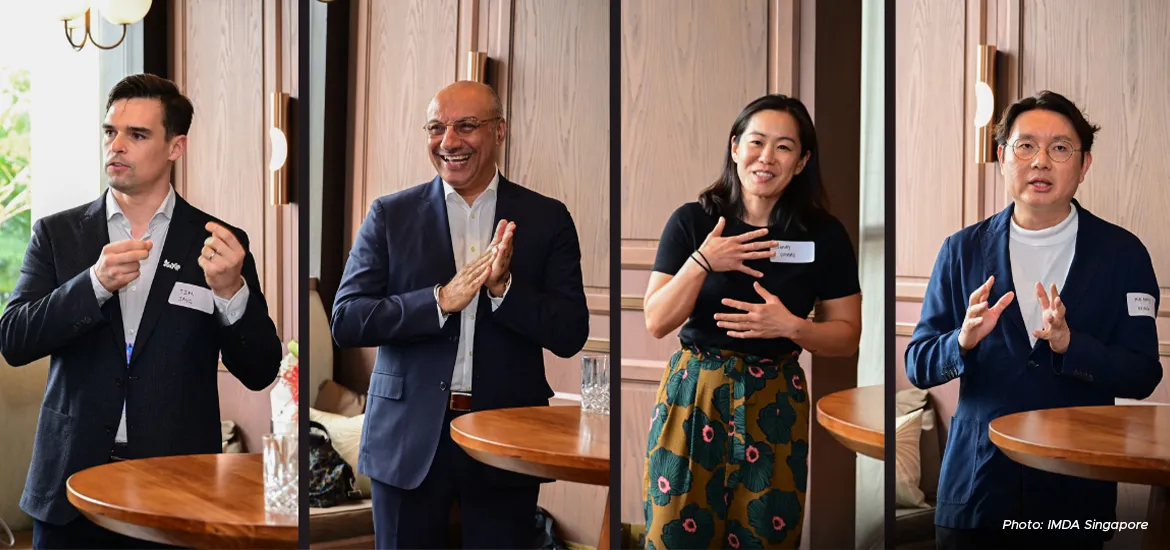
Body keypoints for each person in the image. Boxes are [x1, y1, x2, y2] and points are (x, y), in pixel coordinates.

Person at [0, 74, 282, 549]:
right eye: (111, 132)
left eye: (138, 134)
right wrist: (92, 285)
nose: (117, 145)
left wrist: (231, 291)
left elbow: (260, 370)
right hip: (70, 489)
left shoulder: (216, 242)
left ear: (176, 146)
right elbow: (14, 340)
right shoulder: (57, 234)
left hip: (180, 490)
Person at [331, 80, 590, 549]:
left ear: (500, 131)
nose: (448, 142)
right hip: (406, 440)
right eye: (436, 128)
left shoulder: (547, 218)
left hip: (506, 439)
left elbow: (571, 332)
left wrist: (505, 289)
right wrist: (438, 301)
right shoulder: (391, 214)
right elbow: (346, 319)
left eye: (466, 126)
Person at [905, 90, 1162, 550]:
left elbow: (1144, 373)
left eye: (1060, 148)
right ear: (1003, 157)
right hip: (975, 489)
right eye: (1026, 146)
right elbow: (919, 362)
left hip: (1075, 493)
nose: (1041, 161)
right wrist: (961, 341)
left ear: (1084, 166)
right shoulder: (961, 249)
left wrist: (1069, 345)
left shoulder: (1123, 254)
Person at [640, 94, 862, 549]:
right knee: (674, 533)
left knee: (765, 535)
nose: (767, 157)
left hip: (775, 400)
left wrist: (791, 327)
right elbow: (656, 321)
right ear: (736, 147)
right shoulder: (693, 221)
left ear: (801, 162)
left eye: (784, 147)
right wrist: (704, 259)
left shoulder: (823, 234)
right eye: (757, 142)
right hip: (694, 392)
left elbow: (847, 337)